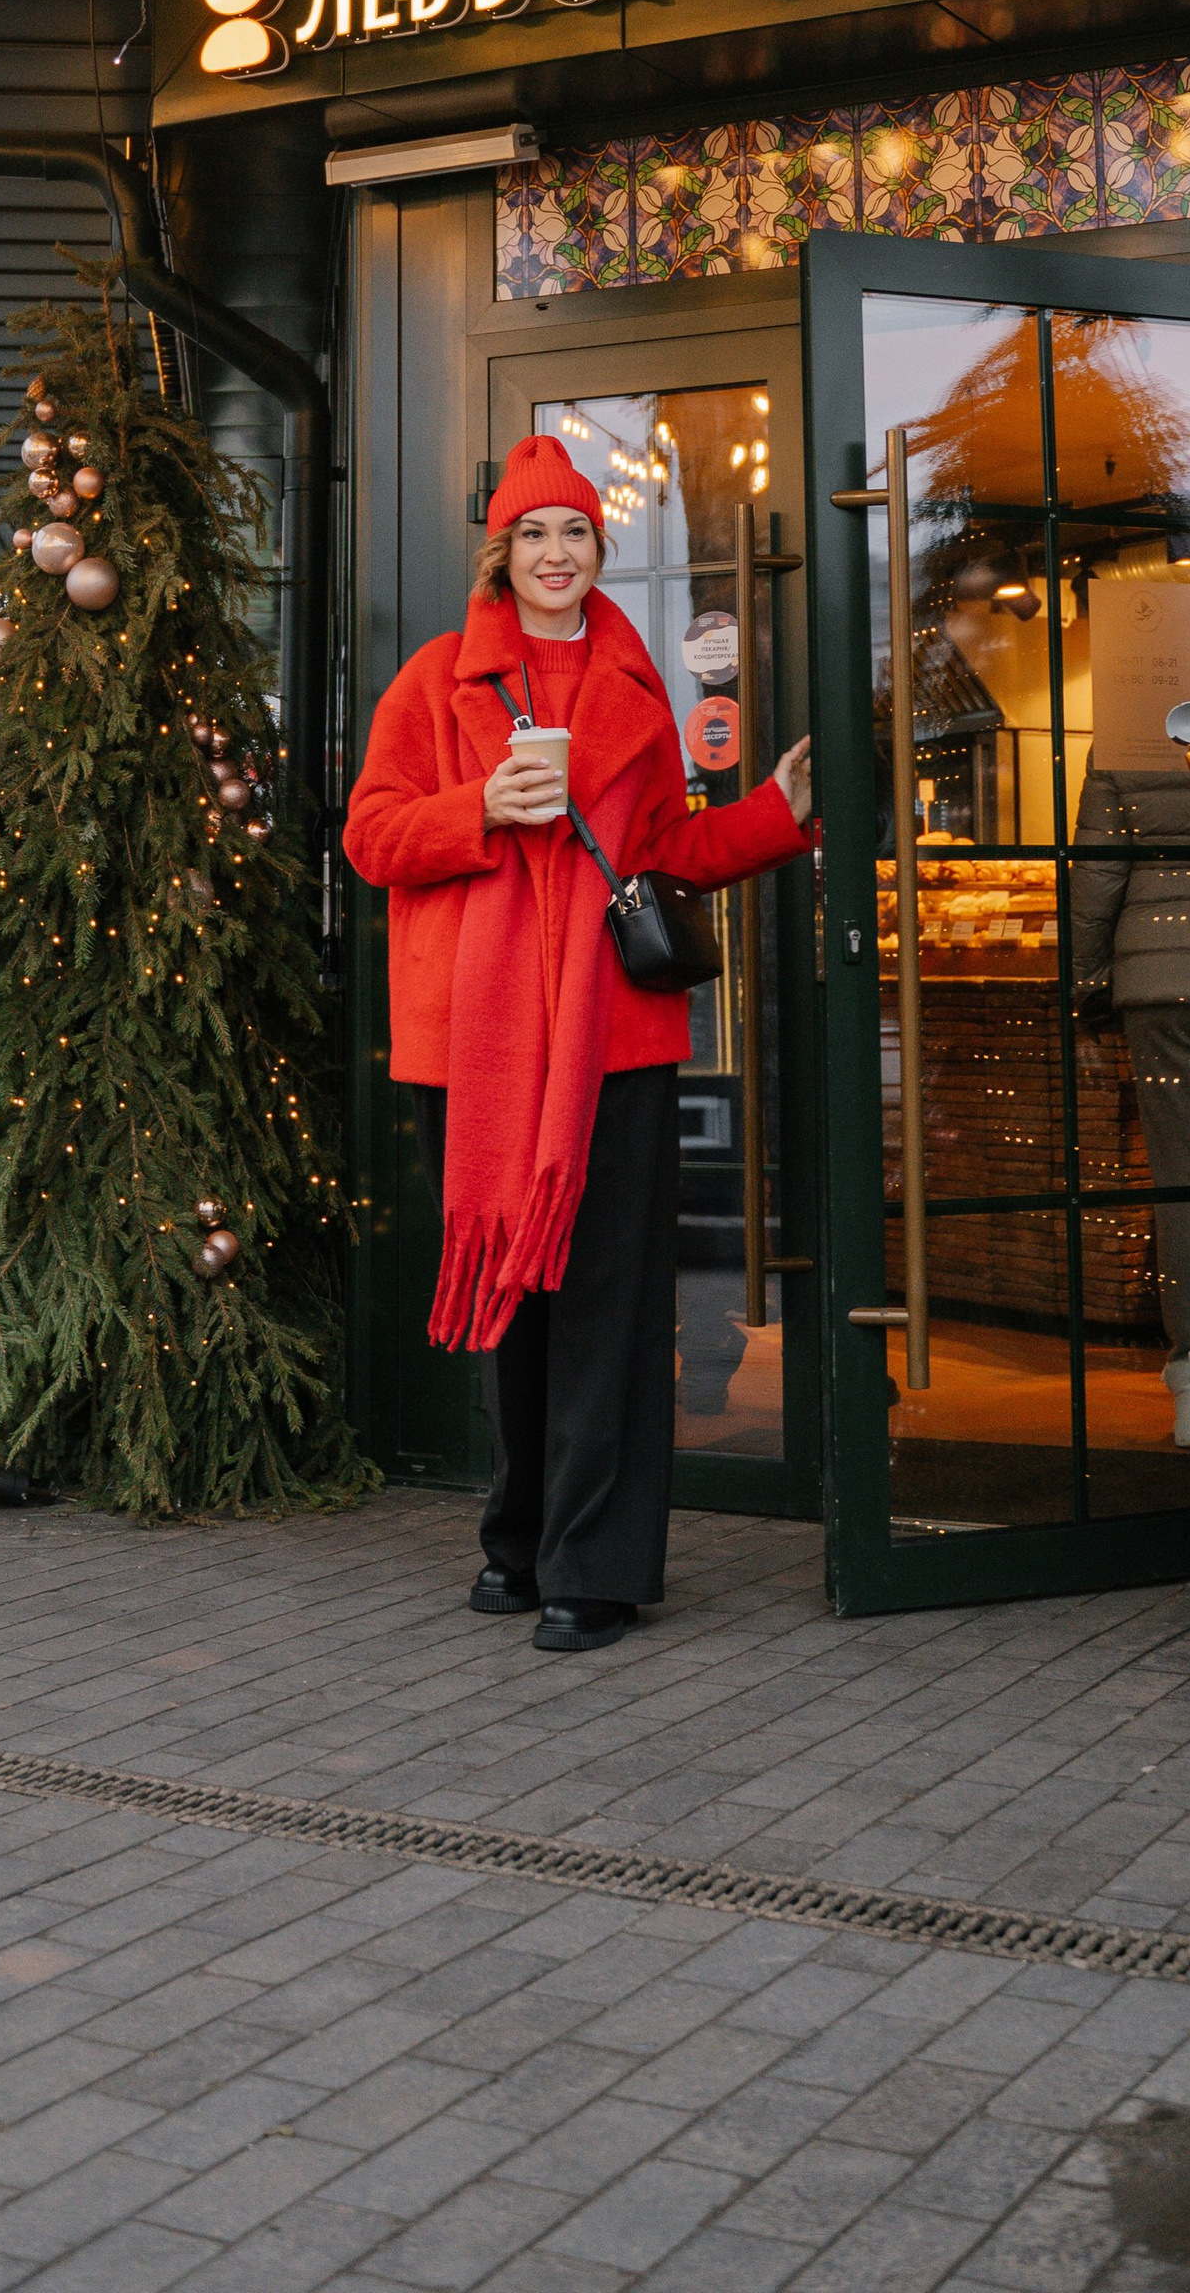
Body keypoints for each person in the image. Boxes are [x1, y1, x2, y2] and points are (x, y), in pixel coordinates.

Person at [343, 432, 814, 1652]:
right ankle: (518, 1538)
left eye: (577, 534)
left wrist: (775, 813)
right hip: (475, 1041)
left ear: (600, 550)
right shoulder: (436, 680)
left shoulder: (635, 685)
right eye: (534, 534)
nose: (556, 554)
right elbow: (371, 837)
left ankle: (592, 1566)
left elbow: (663, 855)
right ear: (502, 553)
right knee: (513, 1296)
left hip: (611, 1036)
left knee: (610, 1303)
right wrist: (480, 809)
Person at [1069, 757, 1190, 1451]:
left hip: (1160, 982)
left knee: (1188, 1179)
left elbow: (1096, 877)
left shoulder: (1123, 733)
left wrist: (1088, 984)